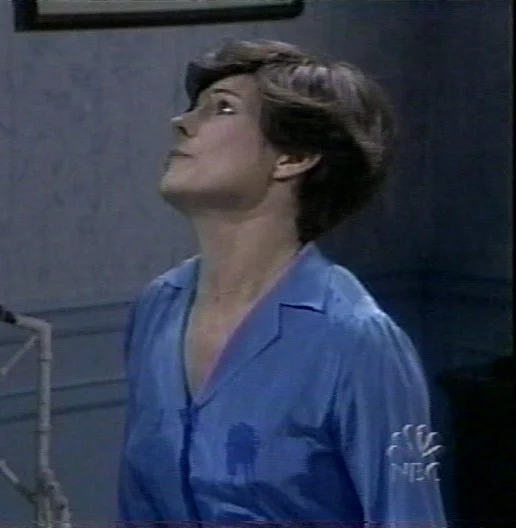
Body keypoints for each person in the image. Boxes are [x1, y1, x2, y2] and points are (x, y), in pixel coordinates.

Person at [118, 39, 446, 526]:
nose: (181, 122)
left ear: (294, 156)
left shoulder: (355, 339)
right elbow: (139, 508)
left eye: (222, 109)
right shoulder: (159, 306)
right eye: (194, 107)